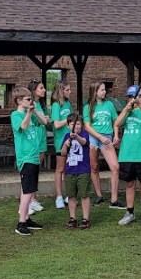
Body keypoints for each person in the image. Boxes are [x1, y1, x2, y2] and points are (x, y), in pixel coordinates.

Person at [114, 85, 141, 225]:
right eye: (130, 97)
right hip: (127, 155)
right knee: (130, 184)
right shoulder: (127, 111)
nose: (132, 99)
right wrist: (126, 109)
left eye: (135, 96)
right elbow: (117, 123)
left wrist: (139, 103)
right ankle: (130, 212)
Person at [11, 87, 48, 235]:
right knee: (27, 191)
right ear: (19, 101)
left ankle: (26, 219)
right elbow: (23, 126)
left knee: (29, 189)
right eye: (28, 99)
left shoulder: (30, 113)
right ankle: (21, 223)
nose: (31, 101)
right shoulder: (15, 115)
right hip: (26, 158)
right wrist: (29, 113)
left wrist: (35, 111)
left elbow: (44, 122)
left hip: (34, 157)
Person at [84, 81, 122, 208]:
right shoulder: (88, 107)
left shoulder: (109, 104)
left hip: (107, 137)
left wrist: (116, 135)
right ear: (95, 92)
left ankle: (114, 199)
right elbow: (87, 126)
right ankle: (99, 196)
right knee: (94, 167)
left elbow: (115, 120)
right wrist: (99, 137)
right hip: (94, 138)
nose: (105, 92)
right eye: (102, 90)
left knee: (115, 167)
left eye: (105, 89)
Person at [59, 113, 92, 229]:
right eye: (73, 124)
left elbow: (84, 142)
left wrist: (76, 137)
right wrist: (65, 145)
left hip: (83, 170)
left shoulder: (84, 134)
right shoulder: (66, 136)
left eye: (78, 124)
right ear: (68, 125)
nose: (76, 126)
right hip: (70, 171)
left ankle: (85, 219)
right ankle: (72, 218)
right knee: (71, 196)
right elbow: (63, 153)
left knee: (84, 195)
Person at [27, 79, 50, 214]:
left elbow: (43, 120)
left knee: (37, 169)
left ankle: (33, 199)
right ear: (34, 90)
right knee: (30, 171)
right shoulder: (29, 104)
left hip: (41, 138)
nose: (44, 90)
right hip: (33, 138)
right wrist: (43, 118)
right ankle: (27, 201)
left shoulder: (41, 104)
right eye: (41, 88)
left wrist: (45, 118)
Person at [50, 79, 73, 209]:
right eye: (67, 90)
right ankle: (59, 196)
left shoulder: (68, 104)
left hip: (70, 139)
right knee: (60, 169)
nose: (70, 92)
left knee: (69, 168)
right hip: (60, 141)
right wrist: (68, 119)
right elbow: (57, 124)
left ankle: (69, 194)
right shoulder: (56, 105)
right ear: (61, 91)